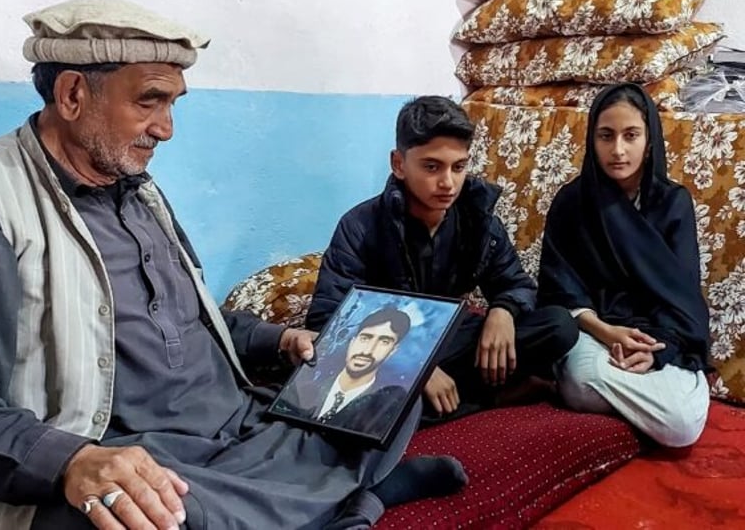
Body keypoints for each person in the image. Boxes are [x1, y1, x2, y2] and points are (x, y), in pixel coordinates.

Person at [0, 0, 467, 530]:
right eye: (150, 100)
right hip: (138, 453)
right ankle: (350, 494)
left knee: (389, 380)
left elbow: (186, 323)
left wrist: (279, 339)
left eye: (172, 104)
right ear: (72, 94)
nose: (166, 128)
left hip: (237, 427)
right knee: (147, 510)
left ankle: (320, 493)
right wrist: (73, 462)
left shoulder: (137, 190)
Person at [306, 95, 578, 423]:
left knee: (559, 326)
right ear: (399, 164)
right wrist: (413, 368)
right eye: (432, 167)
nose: (448, 182)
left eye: (458, 167)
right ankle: (484, 397)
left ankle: (439, 402)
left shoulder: (479, 221)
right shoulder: (360, 227)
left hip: (451, 341)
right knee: (341, 397)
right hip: (386, 350)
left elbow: (515, 283)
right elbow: (326, 323)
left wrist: (504, 310)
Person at [537, 83, 711, 448]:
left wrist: (655, 350)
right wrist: (605, 331)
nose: (618, 150)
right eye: (606, 136)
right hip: (595, 335)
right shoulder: (572, 202)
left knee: (682, 424)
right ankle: (639, 412)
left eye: (631, 135)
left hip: (658, 338)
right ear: (592, 140)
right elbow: (557, 287)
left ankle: (629, 408)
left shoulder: (672, 203)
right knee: (581, 378)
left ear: (649, 140)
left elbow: (683, 296)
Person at [276, 308, 410, 435]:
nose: (367, 350)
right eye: (365, 338)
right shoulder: (303, 386)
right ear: (352, 341)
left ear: (393, 350)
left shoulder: (383, 409)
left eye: (384, 342)